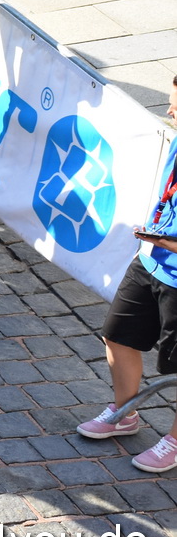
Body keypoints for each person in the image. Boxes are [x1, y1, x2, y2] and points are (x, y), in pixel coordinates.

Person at [76, 73, 177, 472]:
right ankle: (125, 411)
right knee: (117, 334)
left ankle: (173, 441)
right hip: (153, 259)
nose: (169, 110)